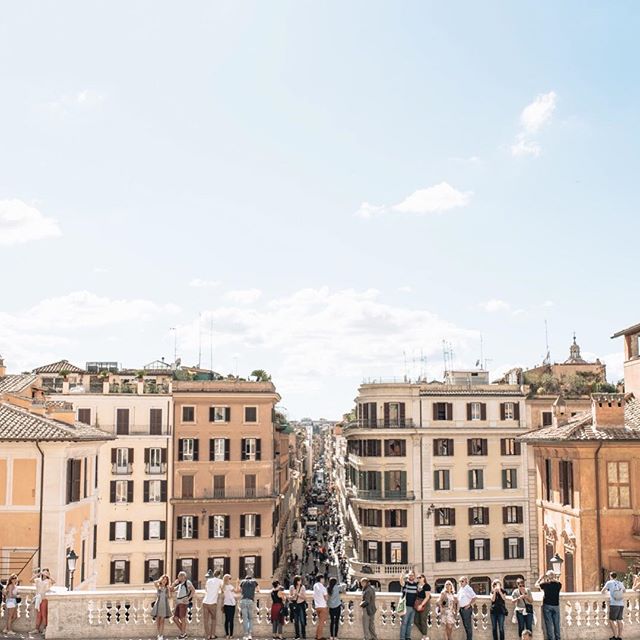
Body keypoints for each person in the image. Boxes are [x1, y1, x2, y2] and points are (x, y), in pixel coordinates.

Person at [536, 570, 562, 640]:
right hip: (556, 605)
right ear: (554, 576)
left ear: (548, 576)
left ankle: (551, 638)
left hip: (547, 605)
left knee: (549, 624)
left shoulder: (545, 584)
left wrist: (540, 578)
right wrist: (554, 578)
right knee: (557, 623)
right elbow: (558, 582)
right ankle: (558, 638)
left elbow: (536, 584)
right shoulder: (558, 584)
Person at [601, 571, 626, 640]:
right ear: (616, 576)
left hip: (614, 604)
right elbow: (624, 591)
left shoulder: (609, 582)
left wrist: (609, 591)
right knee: (619, 620)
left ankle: (615, 636)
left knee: (612, 620)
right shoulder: (620, 583)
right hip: (621, 604)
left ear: (610, 576)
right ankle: (619, 637)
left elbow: (602, 591)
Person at [172, 571, 195, 640]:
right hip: (178, 603)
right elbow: (171, 590)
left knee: (182, 619)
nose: (178, 577)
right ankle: (184, 633)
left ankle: (183, 634)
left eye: (179, 576)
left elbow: (193, 590)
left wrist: (188, 598)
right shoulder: (180, 585)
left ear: (183, 577)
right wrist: (174, 583)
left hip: (183, 603)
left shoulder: (187, 582)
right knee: (175, 618)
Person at [32, 567, 55, 634]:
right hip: (38, 599)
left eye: (46, 572)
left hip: (44, 599)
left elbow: (54, 581)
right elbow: (30, 580)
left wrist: (48, 576)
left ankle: (45, 629)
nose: (45, 573)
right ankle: (36, 629)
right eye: (44, 572)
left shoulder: (48, 581)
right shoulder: (38, 580)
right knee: (38, 614)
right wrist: (38, 574)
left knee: (44, 614)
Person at [203, 568, 223, 640]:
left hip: (205, 602)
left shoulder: (208, 580)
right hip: (212, 603)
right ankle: (213, 635)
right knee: (213, 619)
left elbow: (206, 590)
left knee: (206, 620)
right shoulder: (220, 581)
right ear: (219, 575)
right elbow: (223, 589)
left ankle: (208, 635)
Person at [151, 574, 172, 640]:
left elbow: (169, 597)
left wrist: (168, 590)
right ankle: (158, 634)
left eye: (166, 580)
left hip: (164, 604)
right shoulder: (158, 586)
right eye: (163, 579)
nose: (164, 581)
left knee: (162, 620)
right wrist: (159, 580)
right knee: (158, 620)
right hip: (158, 604)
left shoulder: (167, 588)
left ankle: (161, 635)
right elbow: (154, 582)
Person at [399, 570, 418, 640]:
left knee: (410, 623)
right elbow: (401, 581)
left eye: (412, 575)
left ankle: (408, 637)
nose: (411, 576)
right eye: (410, 575)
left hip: (414, 607)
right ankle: (402, 638)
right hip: (406, 606)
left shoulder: (416, 584)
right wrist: (402, 575)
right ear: (408, 576)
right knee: (404, 623)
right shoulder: (406, 584)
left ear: (414, 576)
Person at [239, 571, 259, 640]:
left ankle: (245, 635)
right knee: (250, 618)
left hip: (243, 600)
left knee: (245, 619)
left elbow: (240, 590)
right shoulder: (254, 581)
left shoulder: (242, 582)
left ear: (245, 578)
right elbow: (258, 589)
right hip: (250, 601)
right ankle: (250, 634)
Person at [413, 574, 432, 640]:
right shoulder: (417, 585)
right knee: (415, 620)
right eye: (417, 578)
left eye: (420, 577)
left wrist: (421, 605)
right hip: (418, 603)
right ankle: (425, 634)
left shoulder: (427, 586)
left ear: (423, 578)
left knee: (423, 620)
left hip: (425, 604)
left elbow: (427, 597)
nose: (418, 579)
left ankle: (424, 636)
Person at [289, 574, 308, 640]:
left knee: (302, 620)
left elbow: (305, 597)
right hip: (294, 605)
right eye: (299, 580)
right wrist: (293, 596)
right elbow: (290, 598)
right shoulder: (291, 587)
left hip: (301, 605)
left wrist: (298, 594)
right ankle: (297, 635)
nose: (300, 582)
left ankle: (303, 634)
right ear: (296, 581)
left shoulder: (303, 587)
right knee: (296, 621)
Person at [222, 574, 238, 640]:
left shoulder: (223, 586)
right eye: (230, 578)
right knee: (231, 620)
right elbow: (237, 591)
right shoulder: (230, 586)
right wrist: (237, 583)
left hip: (226, 604)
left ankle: (227, 635)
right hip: (231, 604)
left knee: (226, 620)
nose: (230, 580)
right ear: (227, 579)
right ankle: (231, 635)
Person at [313, 574, 328, 640]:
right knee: (321, 623)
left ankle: (317, 635)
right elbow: (326, 598)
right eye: (323, 579)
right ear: (321, 579)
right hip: (323, 606)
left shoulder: (315, 585)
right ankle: (319, 637)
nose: (324, 580)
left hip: (317, 606)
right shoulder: (323, 588)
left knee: (320, 622)